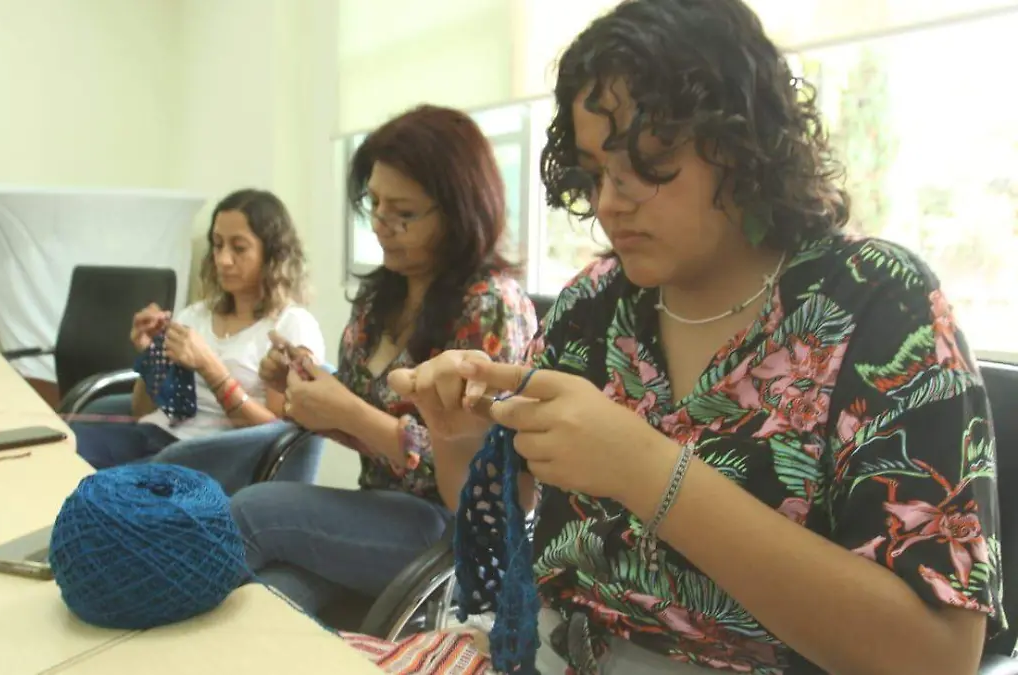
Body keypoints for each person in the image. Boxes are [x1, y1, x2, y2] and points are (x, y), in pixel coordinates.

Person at [364, 1, 1006, 674]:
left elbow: (937, 655)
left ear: (744, 143)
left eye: (648, 163)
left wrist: (648, 470)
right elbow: (513, 511)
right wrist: (459, 438)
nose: (610, 202)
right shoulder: (594, 303)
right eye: (595, 172)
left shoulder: (879, 304)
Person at [229, 105, 539, 615]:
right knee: (268, 599)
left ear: (460, 210)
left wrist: (348, 411)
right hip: (379, 512)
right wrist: (305, 387)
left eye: (404, 213)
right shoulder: (381, 298)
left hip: (451, 535)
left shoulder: (491, 307)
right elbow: (358, 418)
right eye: (374, 205)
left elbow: (484, 474)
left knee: (250, 513)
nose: (381, 226)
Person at [70, 189, 326, 493]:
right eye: (217, 245)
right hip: (155, 436)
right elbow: (141, 410)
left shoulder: (290, 326)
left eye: (239, 248)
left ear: (272, 254)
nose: (224, 260)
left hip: (212, 460)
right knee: (61, 448)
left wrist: (210, 368)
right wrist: (152, 356)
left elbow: (277, 432)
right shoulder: (196, 315)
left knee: (96, 490)